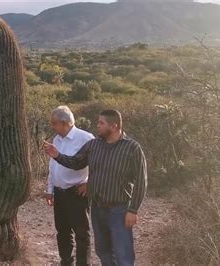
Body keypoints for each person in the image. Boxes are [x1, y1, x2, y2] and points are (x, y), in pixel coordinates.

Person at [44, 109, 147, 266]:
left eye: (101, 123)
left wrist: (133, 210)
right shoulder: (94, 145)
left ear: (114, 126)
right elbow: (76, 163)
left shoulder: (132, 148)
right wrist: (57, 155)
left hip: (119, 210)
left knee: (122, 253)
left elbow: (141, 180)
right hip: (98, 208)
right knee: (103, 251)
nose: (97, 126)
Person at [45, 105, 94, 266]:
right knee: (63, 231)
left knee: (81, 233)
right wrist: (50, 189)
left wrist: (89, 183)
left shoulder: (86, 138)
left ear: (65, 123)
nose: (52, 126)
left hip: (76, 193)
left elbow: (98, 165)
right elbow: (53, 166)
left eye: (54, 123)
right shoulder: (57, 139)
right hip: (60, 193)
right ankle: (66, 261)